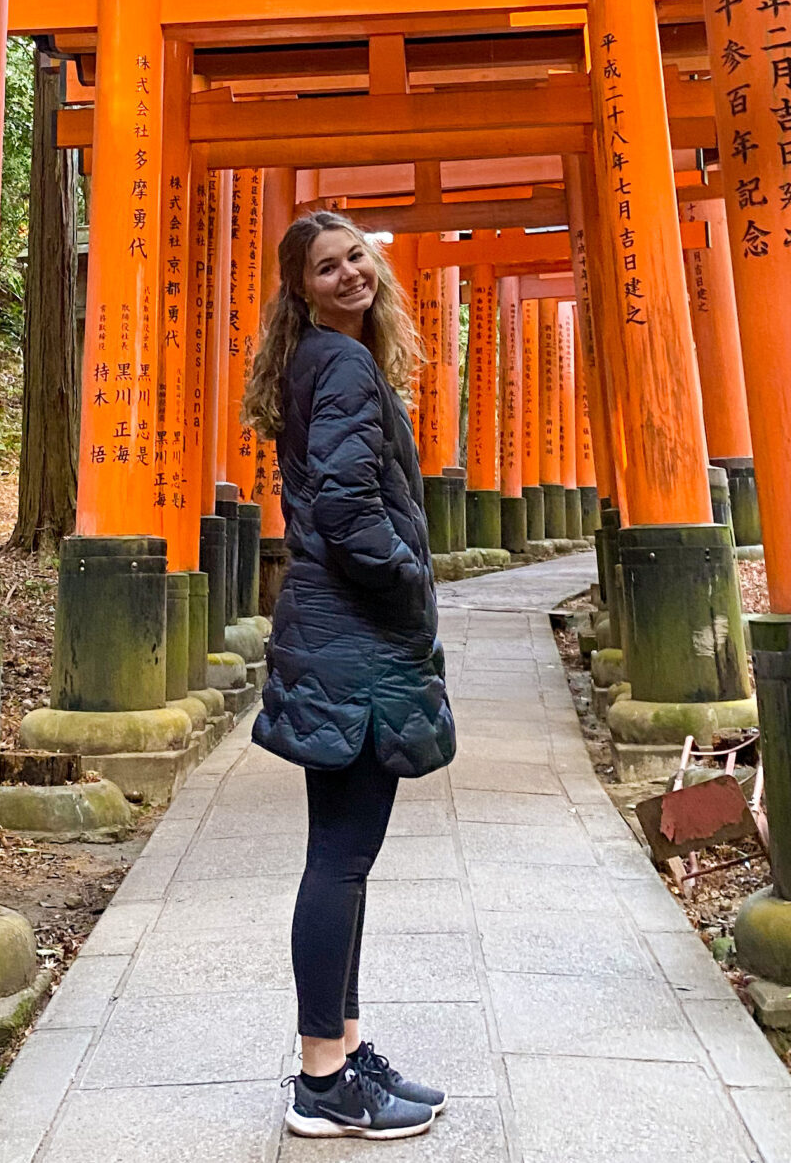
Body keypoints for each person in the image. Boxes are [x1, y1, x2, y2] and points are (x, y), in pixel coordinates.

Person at [244, 211, 457, 1141]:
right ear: (301, 288)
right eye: (326, 267)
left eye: (356, 257)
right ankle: (321, 1079)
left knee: (344, 856)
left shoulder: (326, 361)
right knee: (340, 858)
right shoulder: (342, 365)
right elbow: (343, 502)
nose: (349, 274)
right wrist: (407, 576)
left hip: (335, 638)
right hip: (356, 640)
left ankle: (344, 1049)